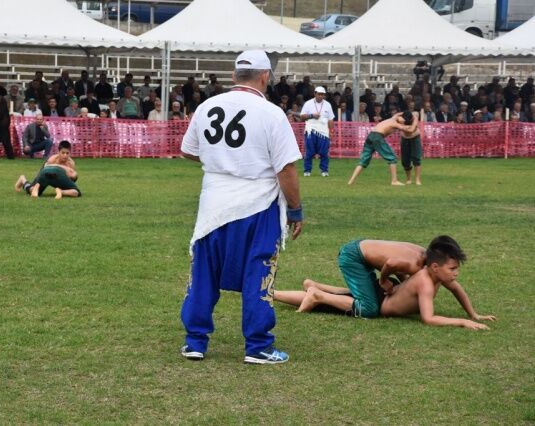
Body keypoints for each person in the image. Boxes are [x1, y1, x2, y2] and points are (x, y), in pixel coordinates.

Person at [179, 50, 303, 365]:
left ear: (235, 75)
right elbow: (286, 168)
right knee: (258, 270)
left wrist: (221, 160)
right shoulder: (272, 113)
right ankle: (258, 345)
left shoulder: (207, 106)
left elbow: (188, 150)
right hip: (257, 204)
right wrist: (296, 208)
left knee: (204, 271)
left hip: (213, 204)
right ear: (265, 77)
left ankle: (195, 341)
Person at [275, 236, 496, 329]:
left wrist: (474, 314)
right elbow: (428, 318)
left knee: (354, 296)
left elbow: (457, 289)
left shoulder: (430, 266)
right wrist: (463, 322)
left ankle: (288, 291)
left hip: (368, 265)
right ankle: (318, 294)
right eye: (453, 269)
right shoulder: (421, 275)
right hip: (354, 257)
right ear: (435, 266)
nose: (456, 274)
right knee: (367, 308)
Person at [348, 111, 415, 186]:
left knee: (363, 160)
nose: (404, 123)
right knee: (392, 158)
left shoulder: (393, 118)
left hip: (370, 136)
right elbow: (410, 130)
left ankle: (351, 181)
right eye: (404, 121)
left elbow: (399, 114)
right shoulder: (395, 123)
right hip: (377, 137)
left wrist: (406, 114)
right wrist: (415, 120)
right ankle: (394, 181)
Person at [14, 140, 80, 199]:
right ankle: (23, 180)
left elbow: (71, 179)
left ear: (70, 153)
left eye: (67, 153)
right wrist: (38, 180)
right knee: (32, 190)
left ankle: (60, 191)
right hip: (46, 173)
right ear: (58, 152)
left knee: (73, 191)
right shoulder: (53, 159)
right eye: (63, 153)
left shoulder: (71, 163)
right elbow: (44, 170)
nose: (65, 155)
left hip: (57, 177)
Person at [300, 86, 335, 177]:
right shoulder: (308, 103)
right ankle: (307, 171)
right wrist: (312, 115)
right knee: (309, 152)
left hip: (324, 132)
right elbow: (302, 117)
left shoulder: (328, 104)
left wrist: (331, 131)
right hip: (310, 131)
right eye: (319, 94)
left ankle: (324, 170)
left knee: (324, 152)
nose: (321, 96)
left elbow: (330, 119)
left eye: (322, 94)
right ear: (315, 94)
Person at [400, 111, 422, 185]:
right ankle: (408, 179)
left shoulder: (415, 118)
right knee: (405, 160)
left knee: (416, 158)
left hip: (415, 137)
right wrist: (399, 115)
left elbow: (411, 130)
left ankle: (417, 179)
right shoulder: (400, 119)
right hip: (404, 138)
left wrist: (402, 126)